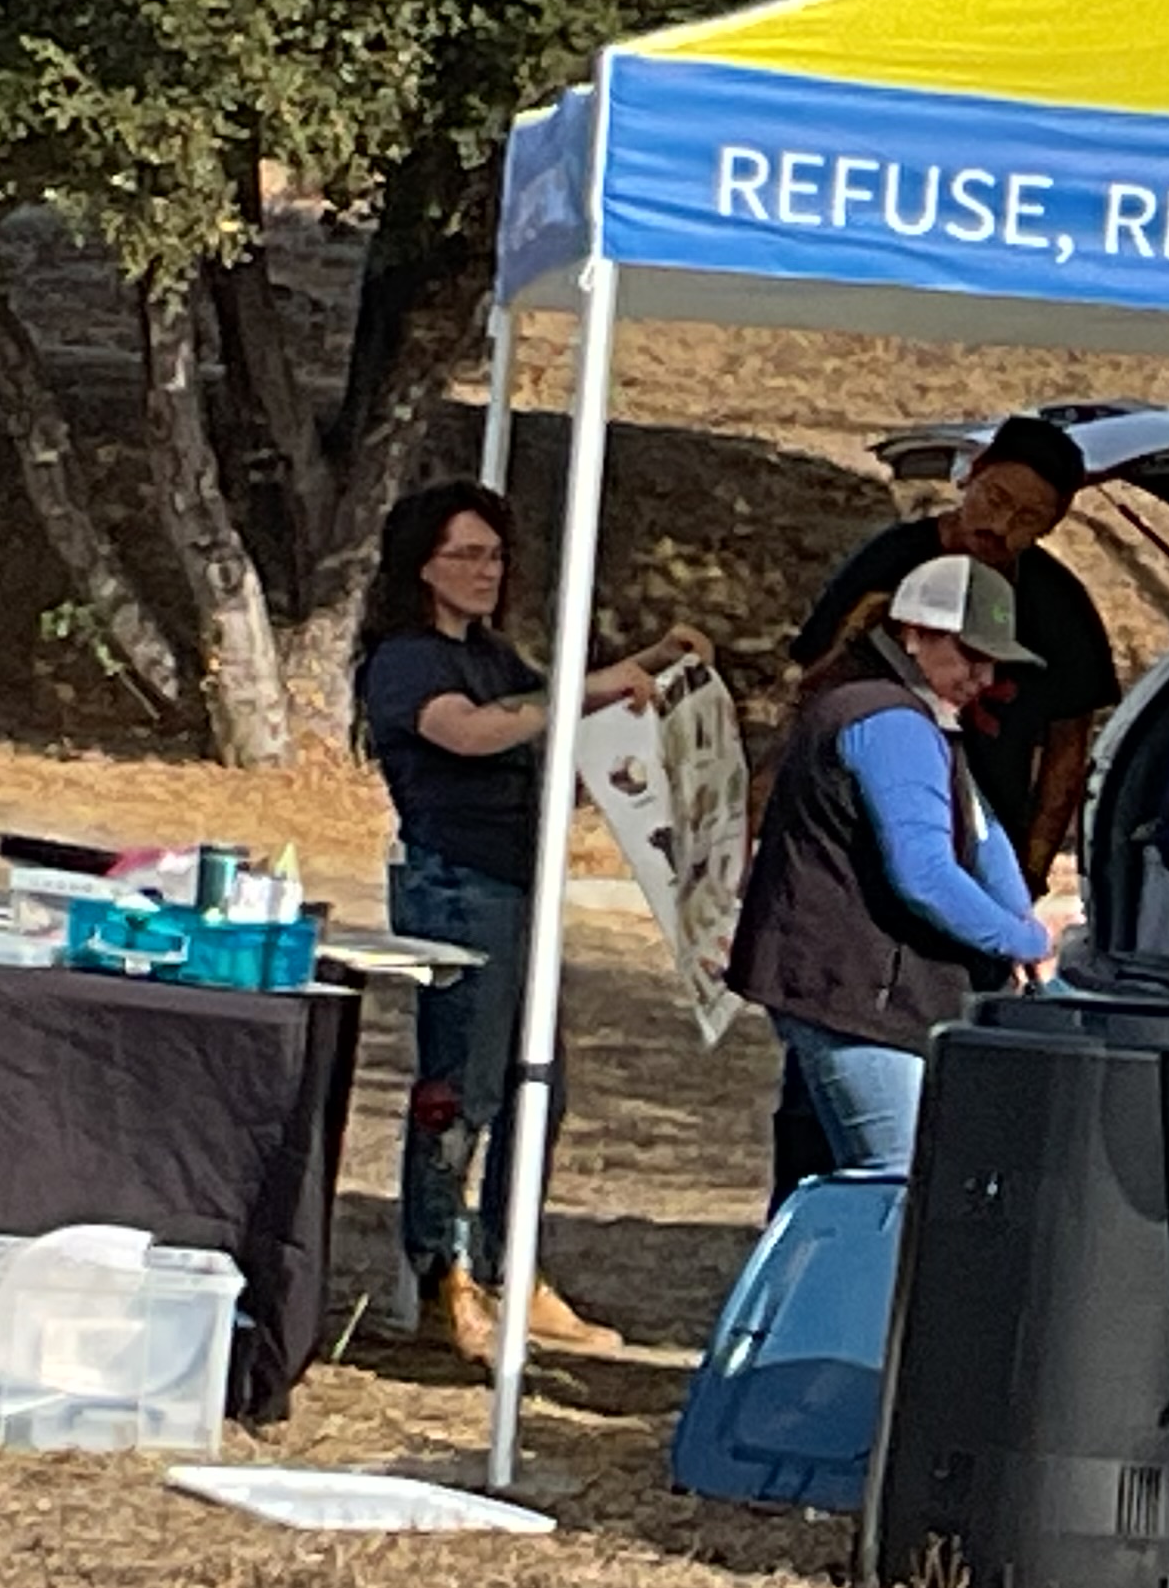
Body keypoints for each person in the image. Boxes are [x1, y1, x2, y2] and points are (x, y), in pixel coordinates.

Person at [353, 480, 704, 1359]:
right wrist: (590, 690)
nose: (483, 571)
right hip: (457, 884)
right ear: (420, 567)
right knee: (460, 1091)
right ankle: (444, 1273)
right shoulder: (406, 661)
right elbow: (469, 733)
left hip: (519, 886)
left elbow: (554, 708)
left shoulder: (493, 653)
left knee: (537, 1088)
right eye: (462, 555)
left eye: (493, 555)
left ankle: (516, 1269)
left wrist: (653, 662)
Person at [728, 555, 1056, 1179]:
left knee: (830, 1181)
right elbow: (925, 874)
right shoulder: (891, 722)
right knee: (897, 1188)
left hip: (833, 989)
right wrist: (1028, 938)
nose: (983, 676)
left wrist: (1017, 917)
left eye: (992, 660)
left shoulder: (910, 713)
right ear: (915, 632)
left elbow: (983, 836)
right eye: (969, 654)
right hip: (857, 1000)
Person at [789, 414, 1120, 894]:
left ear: (1053, 524)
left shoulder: (1059, 606)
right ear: (972, 474)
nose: (1001, 526)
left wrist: (1031, 869)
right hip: (854, 827)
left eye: (1028, 519)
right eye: (995, 499)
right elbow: (808, 690)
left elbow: (1067, 749)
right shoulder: (889, 562)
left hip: (979, 841)